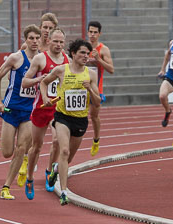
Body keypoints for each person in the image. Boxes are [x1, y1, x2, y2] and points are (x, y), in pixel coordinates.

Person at [43, 39, 100, 205]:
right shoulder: (61, 70)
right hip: (62, 117)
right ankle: (64, 192)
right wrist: (46, 97)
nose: (85, 56)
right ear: (73, 54)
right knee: (64, 151)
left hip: (80, 120)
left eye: (87, 53)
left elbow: (97, 103)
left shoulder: (91, 74)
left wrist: (89, 88)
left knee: (67, 160)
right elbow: (43, 82)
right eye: (82, 52)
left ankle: (55, 169)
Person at [0, 24, 41, 199]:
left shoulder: (41, 60)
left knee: (21, 148)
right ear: (25, 40)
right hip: (11, 109)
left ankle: (6, 187)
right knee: (7, 152)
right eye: (31, 38)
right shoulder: (16, 58)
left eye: (37, 38)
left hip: (29, 111)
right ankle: (21, 159)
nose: (35, 41)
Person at [21, 28, 69, 200]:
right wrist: (39, 80)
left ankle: (49, 171)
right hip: (41, 107)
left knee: (57, 141)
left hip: (58, 109)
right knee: (36, 147)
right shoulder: (40, 59)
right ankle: (30, 178)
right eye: (55, 41)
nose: (58, 45)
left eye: (61, 42)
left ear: (65, 43)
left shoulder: (67, 61)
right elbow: (25, 81)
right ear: (48, 41)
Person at [17, 12, 59, 187]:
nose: (47, 31)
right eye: (45, 27)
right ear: (40, 27)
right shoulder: (30, 45)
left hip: (52, 99)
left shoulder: (56, 47)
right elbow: (21, 68)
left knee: (56, 139)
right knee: (32, 141)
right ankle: (27, 161)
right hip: (32, 96)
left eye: (51, 28)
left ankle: (48, 170)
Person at [86, 21, 114, 156]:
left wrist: (98, 60)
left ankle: (96, 140)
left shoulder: (103, 49)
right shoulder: (83, 48)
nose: (92, 35)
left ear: (99, 34)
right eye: (90, 32)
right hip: (81, 87)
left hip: (97, 88)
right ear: (87, 32)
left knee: (94, 116)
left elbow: (111, 69)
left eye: (95, 32)